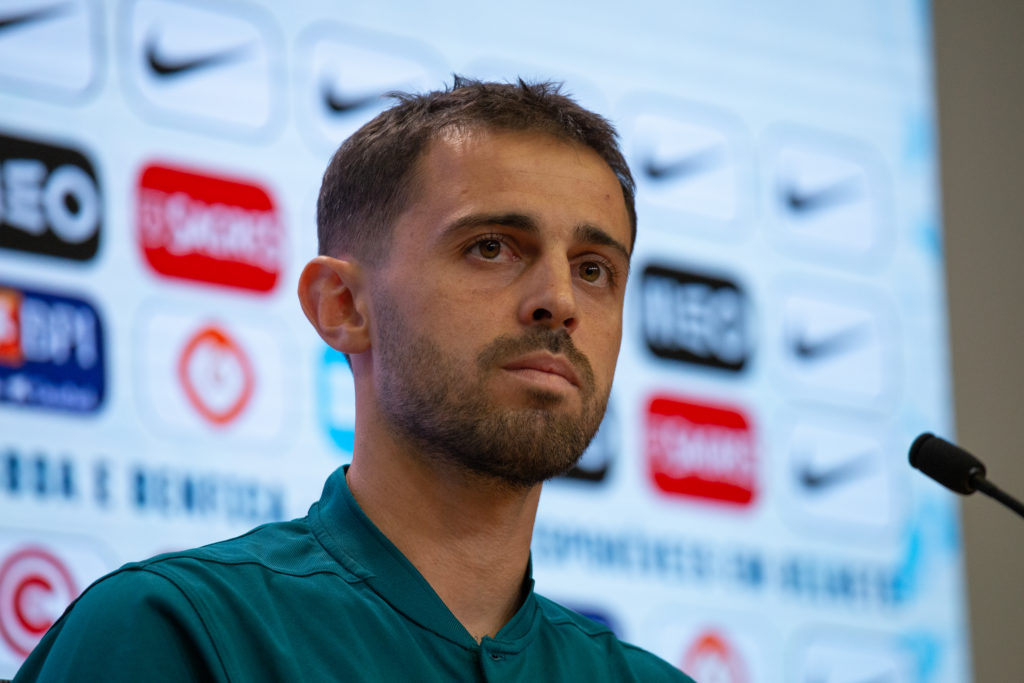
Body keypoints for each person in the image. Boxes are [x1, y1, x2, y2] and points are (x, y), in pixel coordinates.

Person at [15, 77, 695, 682]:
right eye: (491, 247)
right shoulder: (172, 632)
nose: (560, 299)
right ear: (342, 305)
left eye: (594, 267)